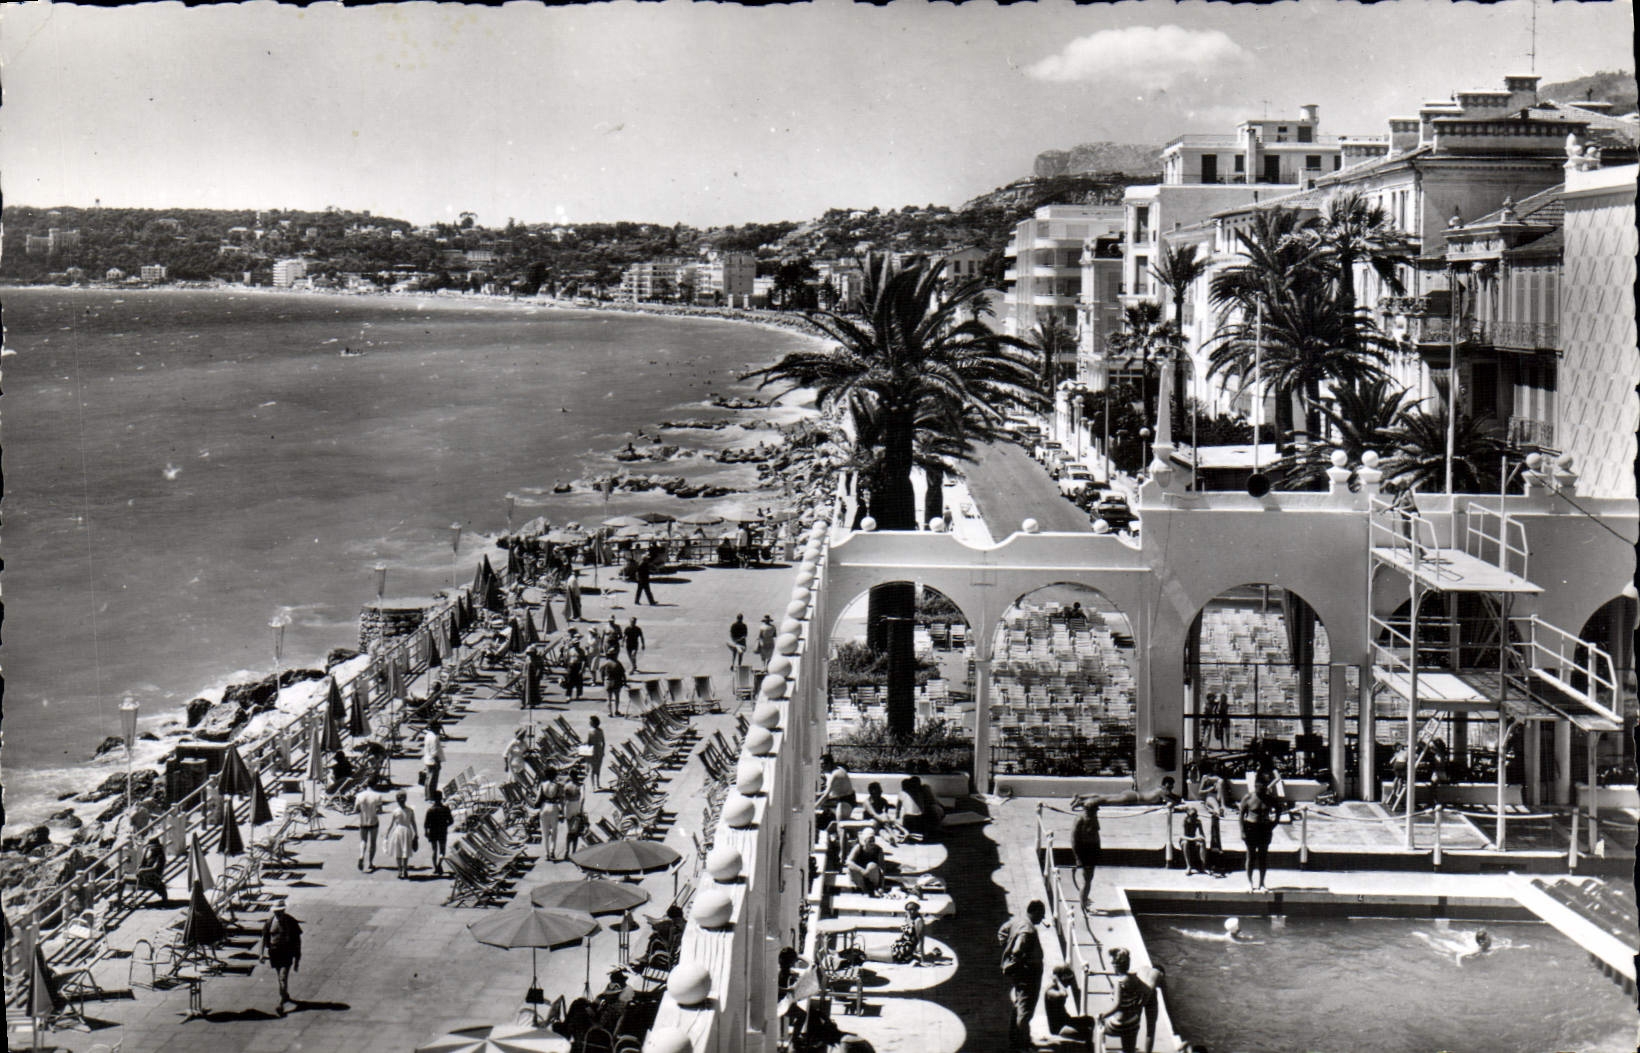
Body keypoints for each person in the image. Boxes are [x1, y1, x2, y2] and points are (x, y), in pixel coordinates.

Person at [998, 900, 1046, 1053]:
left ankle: (1014, 1038)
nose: (1041, 919)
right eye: (1041, 915)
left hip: (1021, 974)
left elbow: (1002, 932)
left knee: (1019, 1004)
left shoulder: (1017, 921)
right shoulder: (1028, 930)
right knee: (1025, 1010)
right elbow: (1018, 950)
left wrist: (1006, 945)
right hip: (1029, 974)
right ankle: (1022, 1045)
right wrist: (1022, 959)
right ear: (1036, 912)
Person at [1096, 947, 1158, 1053]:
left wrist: (1102, 1015)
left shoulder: (1118, 982)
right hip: (1133, 1023)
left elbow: (1117, 1004)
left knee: (1097, 1026)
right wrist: (1139, 1005)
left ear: (1116, 966)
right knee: (1129, 1049)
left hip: (1118, 1025)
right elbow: (1146, 992)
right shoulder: (1135, 978)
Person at [259, 907, 303, 1015]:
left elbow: (297, 941)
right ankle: (285, 995)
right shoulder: (269, 922)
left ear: (283, 911)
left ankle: (281, 1004)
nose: (278, 914)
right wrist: (260, 953)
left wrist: (297, 959)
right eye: (276, 912)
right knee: (280, 977)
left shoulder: (291, 921)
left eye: (280, 912)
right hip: (274, 953)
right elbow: (264, 938)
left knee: (282, 977)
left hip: (287, 952)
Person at [1239, 775, 1275, 892]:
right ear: (1255, 786)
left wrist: (1274, 824)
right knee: (1250, 856)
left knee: (1263, 857)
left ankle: (1262, 883)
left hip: (1264, 828)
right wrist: (1242, 831)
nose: (1262, 789)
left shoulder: (1269, 798)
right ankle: (1249, 882)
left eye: (1264, 786)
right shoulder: (1248, 797)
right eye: (1260, 786)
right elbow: (1241, 815)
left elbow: (1279, 809)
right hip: (1251, 828)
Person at [1044, 964, 1094, 1041]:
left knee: (1090, 1020)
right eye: (1068, 980)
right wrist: (1058, 981)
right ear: (1061, 979)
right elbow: (1064, 994)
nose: (1070, 983)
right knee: (1086, 1033)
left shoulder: (1058, 988)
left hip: (1067, 1020)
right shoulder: (1050, 991)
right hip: (1059, 1028)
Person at [1071, 797, 1102, 913]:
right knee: (1086, 880)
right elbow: (1073, 840)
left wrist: (1098, 850)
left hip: (1092, 851)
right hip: (1084, 852)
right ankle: (1083, 905)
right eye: (1094, 810)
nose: (1096, 812)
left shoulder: (1093, 818)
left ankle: (1084, 900)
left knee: (1089, 879)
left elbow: (1096, 834)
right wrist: (1078, 858)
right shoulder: (1080, 819)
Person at [385, 790, 419, 880]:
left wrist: (387, 834)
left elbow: (391, 824)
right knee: (406, 850)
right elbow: (413, 823)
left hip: (398, 831)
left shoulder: (396, 811)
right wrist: (416, 833)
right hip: (407, 831)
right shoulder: (410, 810)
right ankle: (405, 869)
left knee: (398, 851)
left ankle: (400, 870)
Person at [127, 836, 169, 906]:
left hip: (153, 878)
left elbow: (154, 868)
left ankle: (119, 901)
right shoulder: (150, 854)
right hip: (145, 876)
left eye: (152, 848)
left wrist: (143, 870)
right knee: (123, 878)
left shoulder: (160, 856)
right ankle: (119, 899)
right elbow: (142, 864)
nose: (151, 850)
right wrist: (144, 853)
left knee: (124, 880)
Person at [846, 828, 888, 897]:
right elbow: (848, 862)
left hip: (872, 877)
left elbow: (882, 870)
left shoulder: (879, 850)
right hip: (860, 876)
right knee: (851, 868)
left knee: (872, 866)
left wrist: (881, 887)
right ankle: (863, 890)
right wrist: (862, 871)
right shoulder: (858, 848)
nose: (872, 843)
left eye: (873, 840)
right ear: (865, 841)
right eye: (870, 841)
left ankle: (872, 889)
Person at [356, 779, 384, 872]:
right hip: (373, 821)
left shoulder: (360, 795)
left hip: (363, 821)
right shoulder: (378, 796)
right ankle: (370, 863)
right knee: (373, 842)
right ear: (375, 785)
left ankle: (361, 856)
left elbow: (356, 809)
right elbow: (380, 810)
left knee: (363, 840)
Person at [424, 790, 453, 876]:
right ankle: (440, 863)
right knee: (442, 850)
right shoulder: (445, 809)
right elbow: (451, 821)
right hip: (442, 831)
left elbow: (426, 824)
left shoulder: (430, 810)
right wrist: (445, 825)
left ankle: (435, 867)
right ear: (441, 798)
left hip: (433, 832)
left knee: (434, 850)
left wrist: (426, 832)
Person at [537, 767, 564, 861]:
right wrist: (563, 812)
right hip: (554, 807)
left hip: (544, 807)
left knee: (545, 832)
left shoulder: (542, 785)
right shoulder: (558, 786)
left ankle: (546, 853)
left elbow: (537, 800)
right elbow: (561, 800)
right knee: (554, 831)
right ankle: (552, 850)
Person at [820, 755, 857, 821]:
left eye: (823, 764)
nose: (821, 767)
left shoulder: (836, 774)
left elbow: (826, 795)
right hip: (838, 800)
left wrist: (814, 806)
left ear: (829, 764)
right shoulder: (836, 770)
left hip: (845, 802)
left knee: (840, 825)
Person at [1180, 806, 1208, 876]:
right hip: (1186, 840)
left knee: (1202, 843)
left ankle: (1202, 866)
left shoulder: (1198, 822)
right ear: (1188, 816)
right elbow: (1182, 836)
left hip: (1193, 840)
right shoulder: (1185, 821)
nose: (1194, 818)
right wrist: (1194, 839)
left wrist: (1201, 837)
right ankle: (1188, 866)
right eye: (1193, 816)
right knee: (1185, 843)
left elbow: (1202, 834)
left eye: (1195, 816)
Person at [422, 721, 445, 795]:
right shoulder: (434, 737)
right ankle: (431, 795)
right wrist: (438, 763)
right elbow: (434, 752)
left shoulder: (428, 735)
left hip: (427, 759)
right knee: (433, 780)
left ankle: (427, 794)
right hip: (433, 761)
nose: (439, 731)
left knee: (428, 778)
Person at [586, 716, 606, 791]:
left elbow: (588, 743)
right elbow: (603, 742)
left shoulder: (590, 731)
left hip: (593, 751)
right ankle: (598, 783)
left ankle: (593, 786)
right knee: (598, 769)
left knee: (592, 769)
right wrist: (603, 751)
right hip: (599, 751)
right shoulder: (601, 731)